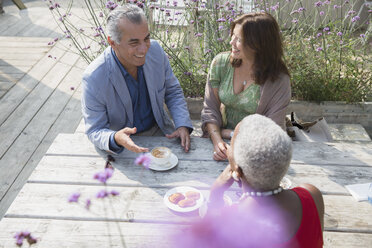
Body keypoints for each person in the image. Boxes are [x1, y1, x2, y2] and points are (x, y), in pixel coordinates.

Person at [178, 114, 323, 248]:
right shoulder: (312, 195)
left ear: (238, 171)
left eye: (231, 146)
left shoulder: (228, 222)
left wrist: (215, 193)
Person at [81, 4, 193, 159]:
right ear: (112, 42)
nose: (144, 49)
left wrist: (182, 124)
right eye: (134, 43)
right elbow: (94, 130)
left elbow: (172, 91)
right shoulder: (93, 77)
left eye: (146, 38)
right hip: (120, 146)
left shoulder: (156, 51)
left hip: (160, 132)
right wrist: (115, 138)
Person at [201, 12, 291, 161]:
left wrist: (229, 134)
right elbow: (210, 108)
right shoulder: (221, 63)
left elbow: (271, 130)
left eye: (238, 39)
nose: (231, 42)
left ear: (258, 45)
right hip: (219, 140)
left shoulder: (279, 80)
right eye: (232, 36)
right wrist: (218, 140)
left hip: (259, 148)